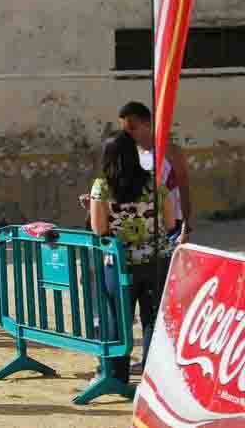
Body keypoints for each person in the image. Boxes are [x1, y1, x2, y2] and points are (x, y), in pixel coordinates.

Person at [89, 131, 175, 385]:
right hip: (156, 261)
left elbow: (99, 229)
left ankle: (118, 375)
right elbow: (170, 222)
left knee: (118, 317)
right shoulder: (154, 183)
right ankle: (152, 377)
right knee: (152, 319)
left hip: (119, 264)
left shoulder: (102, 187)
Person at [117, 101, 193, 245]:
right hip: (144, 223)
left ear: (147, 124)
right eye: (125, 131)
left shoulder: (170, 151)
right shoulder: (127, 155)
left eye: (132, 128)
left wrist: (186, 226)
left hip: (172, 223)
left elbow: (184, 188)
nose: (128, 134)